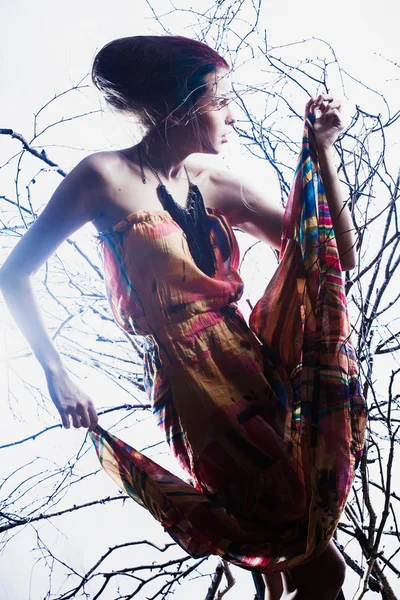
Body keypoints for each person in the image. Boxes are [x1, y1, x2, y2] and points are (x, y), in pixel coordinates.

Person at [0, 35, 366, 600]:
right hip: (197, 394)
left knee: (304, 566)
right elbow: (14, 273)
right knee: (312, 565)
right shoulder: (103, 177)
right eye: (222, 102)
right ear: (183, 106)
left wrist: (322, 152)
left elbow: (327, 255)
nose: (232, 116)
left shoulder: (216, 180)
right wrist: (57, 372)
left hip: (256, 371)